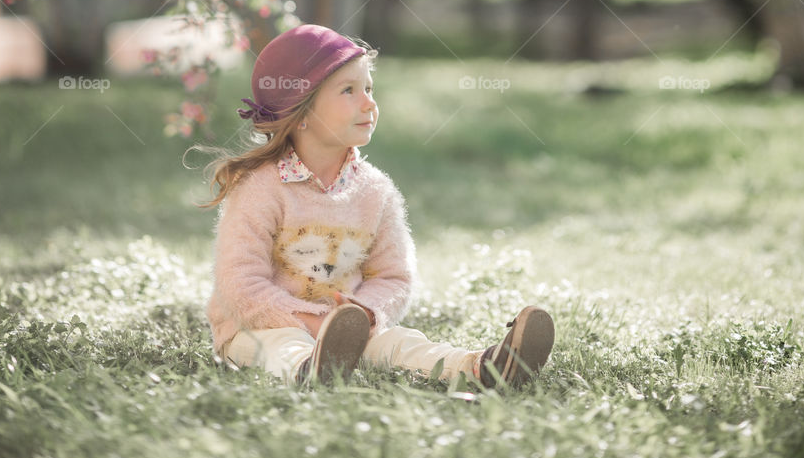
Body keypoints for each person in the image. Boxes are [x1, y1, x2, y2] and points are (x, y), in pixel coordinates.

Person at [204, 23, 554, 389]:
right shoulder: (262, 188)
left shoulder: (375, 190)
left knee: (401, 342)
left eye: (369, 89)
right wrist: (311, 323)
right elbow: (240, 283)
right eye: (349, 90)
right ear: (301, 112)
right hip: (256, 329)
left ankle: (483, 367)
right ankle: (309, 372)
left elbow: (393, 276)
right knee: (283, 345)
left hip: (347, 334)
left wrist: (364, 316)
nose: (369, 103)